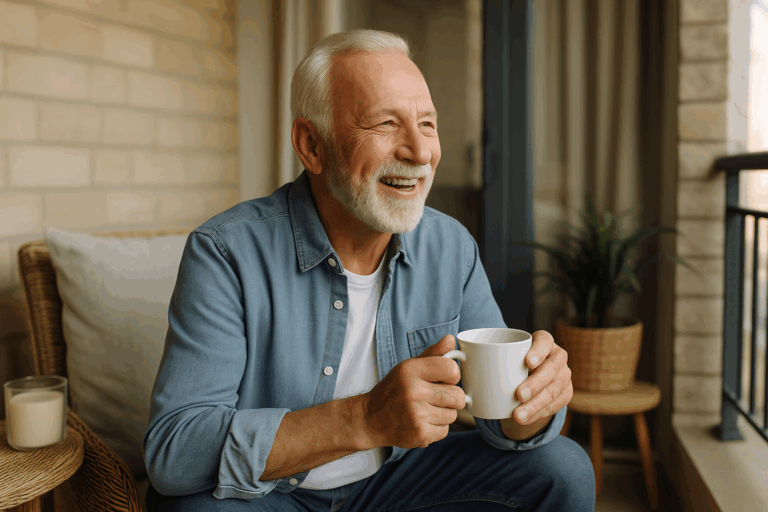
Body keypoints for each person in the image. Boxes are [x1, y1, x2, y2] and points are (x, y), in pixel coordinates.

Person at [143, 29, 595, 511]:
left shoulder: (451, 246)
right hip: (270, 494)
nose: (419, 153)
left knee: (562, 470)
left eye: (427, 124)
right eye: (385, 123)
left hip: (399, 482)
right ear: (312, 145)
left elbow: (502, 418)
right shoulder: (225, 253)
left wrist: (532, 402)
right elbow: (175, 451)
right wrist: (364, 419)